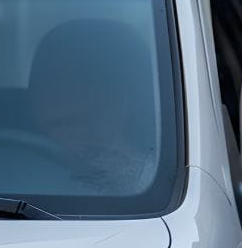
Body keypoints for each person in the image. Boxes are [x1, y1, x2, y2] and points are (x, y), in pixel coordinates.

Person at [26, 18, 159, 193]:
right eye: (49, 81)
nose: (63, 98)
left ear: (125, 97)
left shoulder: (152, 185)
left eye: (83, 80)